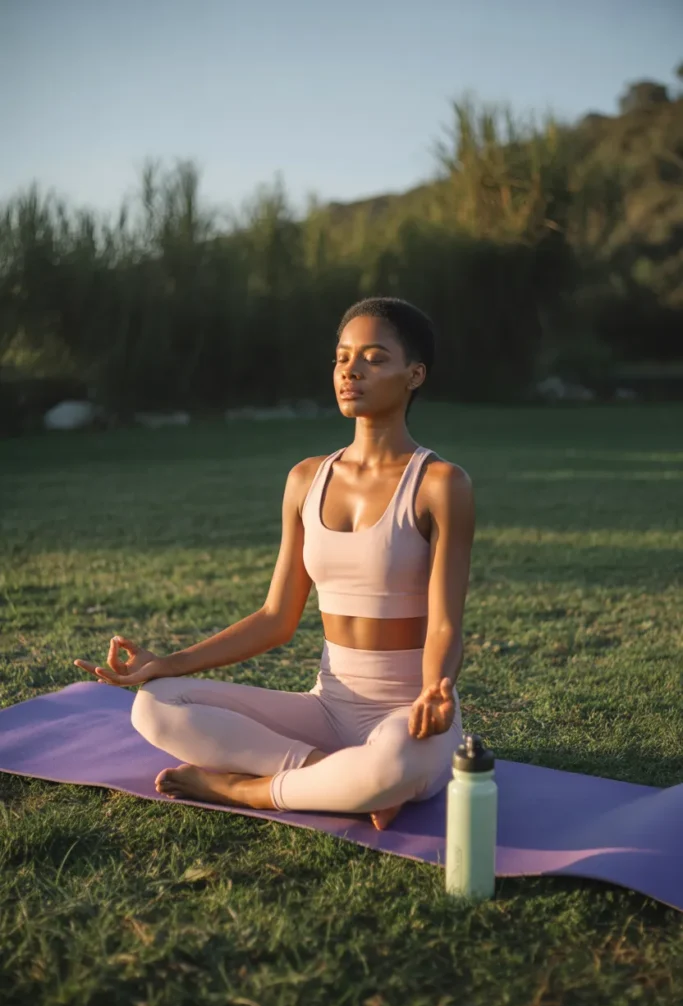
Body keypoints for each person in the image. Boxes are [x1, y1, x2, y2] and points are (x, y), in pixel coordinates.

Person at [74, 297, 475, 831]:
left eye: (375, 358)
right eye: (341, 357)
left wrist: (435, 688)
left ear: (414, 374)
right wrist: (168, 663)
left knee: (397, 761)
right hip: (327, 712)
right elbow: (275, 618)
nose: (350, 370)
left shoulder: (441, 485)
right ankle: (336, 779)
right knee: (155, 705)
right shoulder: (305, 480)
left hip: (408, 715)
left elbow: (446, 621)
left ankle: (252, 791)